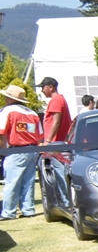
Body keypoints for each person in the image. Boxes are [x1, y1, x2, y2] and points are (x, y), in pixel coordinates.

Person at [0, 85, 44, 219]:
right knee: (28, 181)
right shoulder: (33, 113)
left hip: (16, 150)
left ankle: (8, 212)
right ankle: (28, 209)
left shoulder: (7, 111)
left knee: (12, 182)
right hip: (32, 150)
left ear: (10, 98)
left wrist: (3, 150)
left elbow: (2, 132)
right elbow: (39, 134)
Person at [38, 78, 73, 209]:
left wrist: (47, 141)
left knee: (60, 174)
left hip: (55, 143)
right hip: (58, 142)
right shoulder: (60, 99)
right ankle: (67, 201)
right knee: (60, 173)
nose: (42, 90)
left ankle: (67, 203)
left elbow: (56, 122)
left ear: (51, 87)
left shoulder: (56, 100)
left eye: (43, 87)